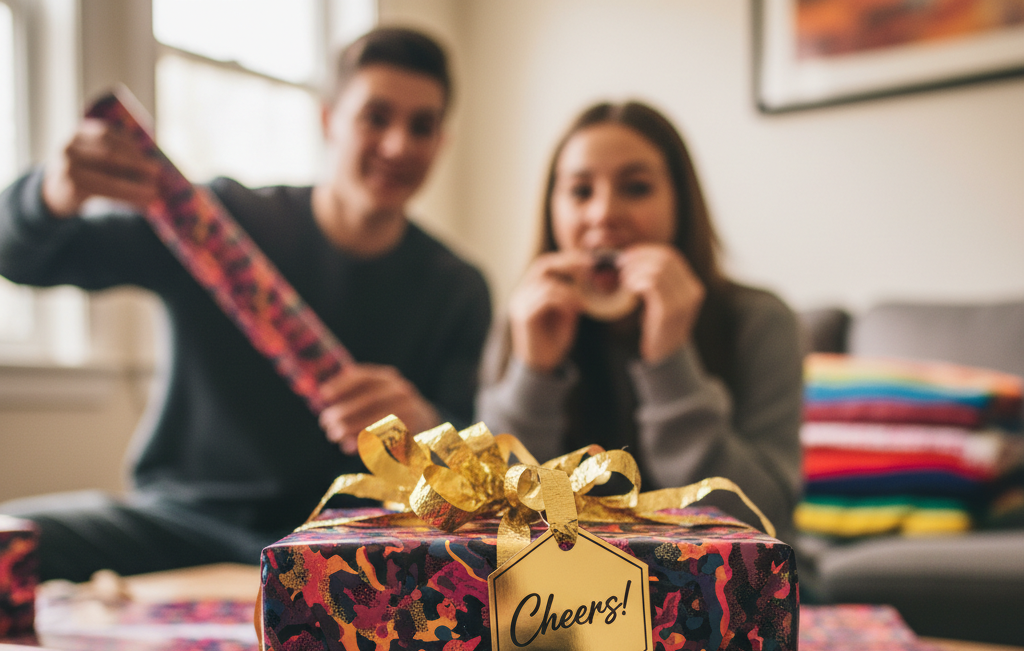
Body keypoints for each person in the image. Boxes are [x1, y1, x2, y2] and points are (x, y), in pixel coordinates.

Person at [0, 27, 490, 581]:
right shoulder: (216, 224)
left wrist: (426, 423)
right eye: (375, 117)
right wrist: (51, 192)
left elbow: (469, 463)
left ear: (441, 142)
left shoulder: (459, 289)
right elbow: (19, 258)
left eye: (421, 126)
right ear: (329, 119)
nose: (398, 145)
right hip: (179, 520)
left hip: (339, 545)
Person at [475, 101, 801, 535]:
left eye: (636, 188)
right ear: (553, 210)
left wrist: (670, 364)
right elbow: (490, 517)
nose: (604, 214)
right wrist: (532, 375)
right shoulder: (523, 321)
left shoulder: (759, 321)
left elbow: (764, 520)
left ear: (680, 203)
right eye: (580, 192)